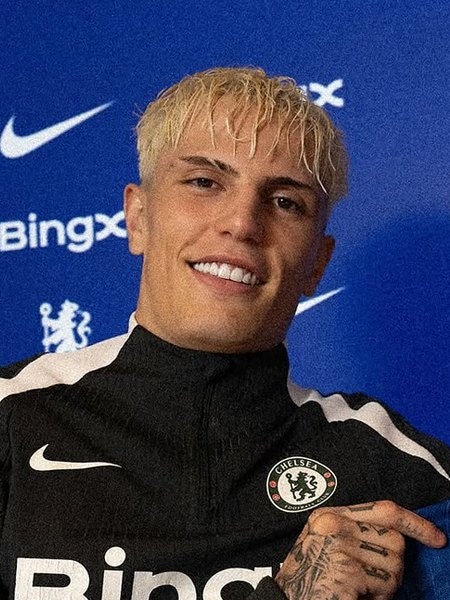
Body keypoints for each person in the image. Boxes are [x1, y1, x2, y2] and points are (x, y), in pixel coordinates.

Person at [1, 67, 449, 600]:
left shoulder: (394, 469)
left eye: (285, 202)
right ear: (138, 217)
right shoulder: (13, 417)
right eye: (204, 182)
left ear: (317, 264)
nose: (242, 223)